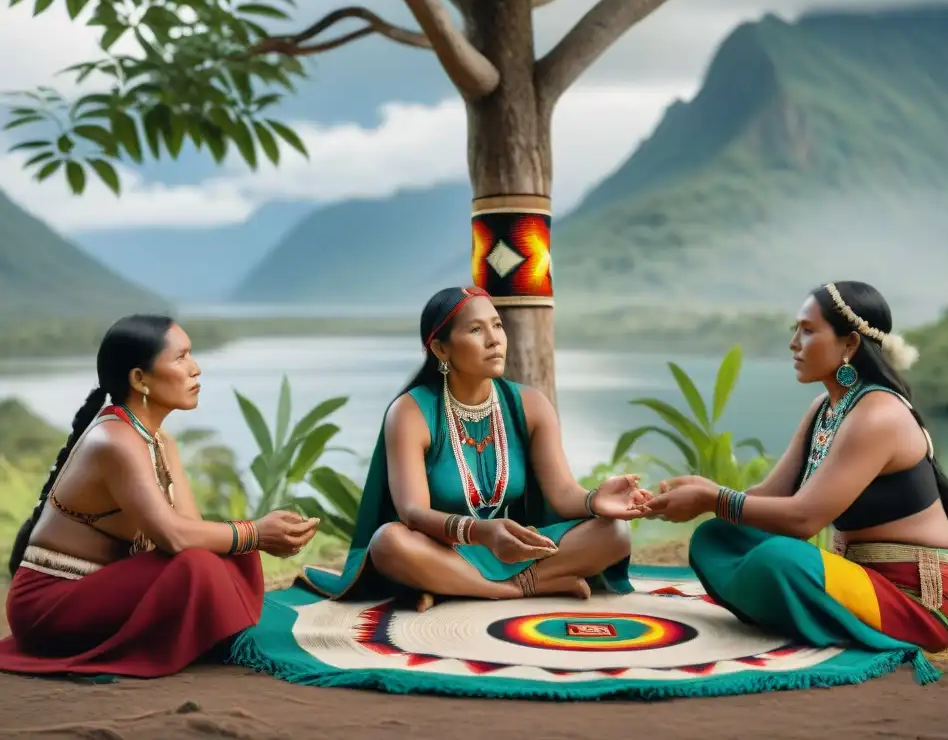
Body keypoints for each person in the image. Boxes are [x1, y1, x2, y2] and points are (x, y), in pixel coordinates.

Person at [645, 281, 948, 658]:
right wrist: (697, 492)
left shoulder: (879, 415)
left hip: (916, 598)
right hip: (855, 578)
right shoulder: (825, 407)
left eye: (808, 330)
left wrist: (710, 497)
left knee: (778, 560)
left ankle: (806, 613)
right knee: (717, 538)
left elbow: (803, 520)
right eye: (795, 329)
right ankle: (809, 612)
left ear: (849, 344)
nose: (794, 343)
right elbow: (769, 498)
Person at [0, 314, 319, 678]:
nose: (195, 369)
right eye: (181, 358)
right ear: (140, 379)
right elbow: (174, 536)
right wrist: (257, 533)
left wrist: (249, 539)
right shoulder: (114, 441)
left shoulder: (159, 441)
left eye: (192, 356)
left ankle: (202, 631)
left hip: (106, 588)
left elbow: (192, 532)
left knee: (228, 555)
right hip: (51, 604)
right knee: (203, 561)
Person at [296, 286, 651, 611]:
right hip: (442, 549)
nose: (494, 339)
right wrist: (481, 532)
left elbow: (561, 494)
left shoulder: (530, 405)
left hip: (514, 547)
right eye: (476, 330)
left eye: (497, 325)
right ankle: (520, 589)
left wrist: (596, 500)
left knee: (614, 533)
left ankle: (455, 588)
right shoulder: (410, 412)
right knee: (388, 543)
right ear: (441, 349)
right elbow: (413, 514)